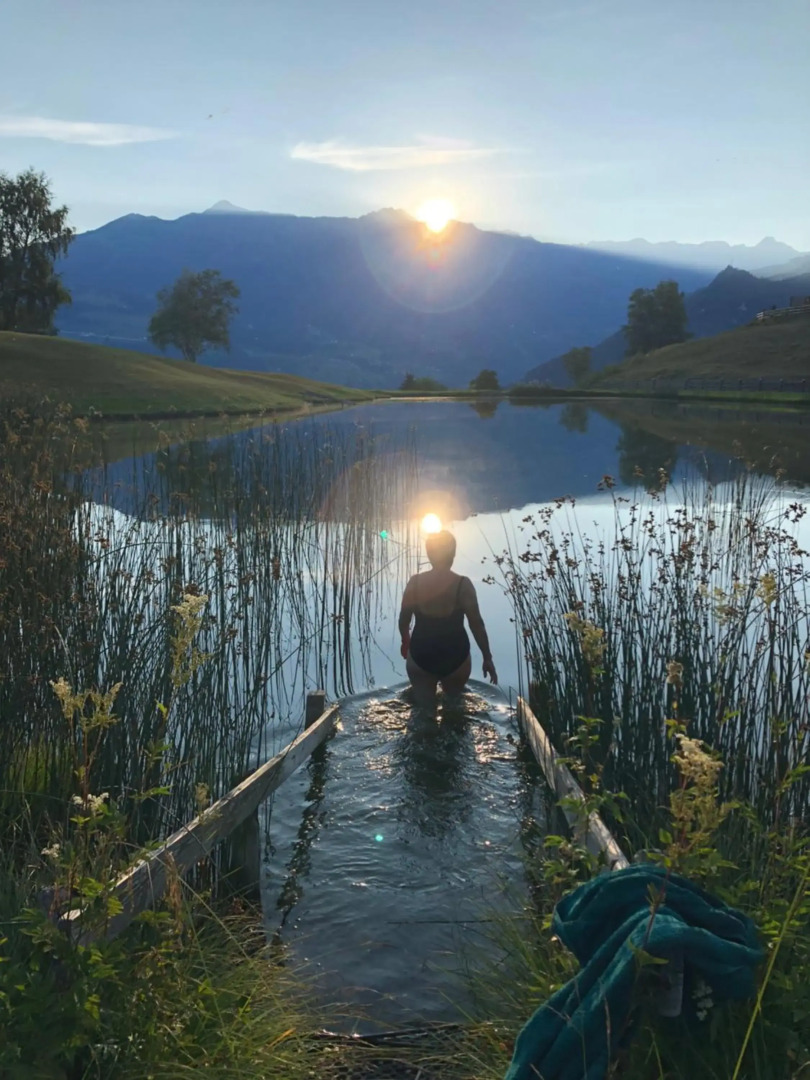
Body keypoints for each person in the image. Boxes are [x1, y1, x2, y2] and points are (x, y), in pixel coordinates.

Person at [398, 529, 497, 703]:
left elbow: (403, 620)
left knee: (422, 711)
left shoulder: (415, 582)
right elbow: (477, 624)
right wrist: (487, 657)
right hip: (455, 656)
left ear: (429, 554)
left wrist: (406, 642)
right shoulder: (463, 585)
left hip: (421, 653)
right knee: (455, 709)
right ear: (453, 554)